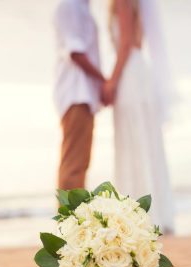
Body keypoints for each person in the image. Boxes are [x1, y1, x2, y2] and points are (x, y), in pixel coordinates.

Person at [104, 0, 174, 233]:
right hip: (139, 72)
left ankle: (139, 216)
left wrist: (111, 81)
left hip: (130, 76)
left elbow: (126, 43)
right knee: (144, 142)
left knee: (132, 143)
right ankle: (154, 213)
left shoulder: (122, 1)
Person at [54, 0, 105, 191]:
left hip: (83, 94)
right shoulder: (70, 6)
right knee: (74, 165)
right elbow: (75, 52)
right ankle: (69, 220)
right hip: (76, 93)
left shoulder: (81, 7)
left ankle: (73, 219)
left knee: (80, 163)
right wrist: (104, 82)